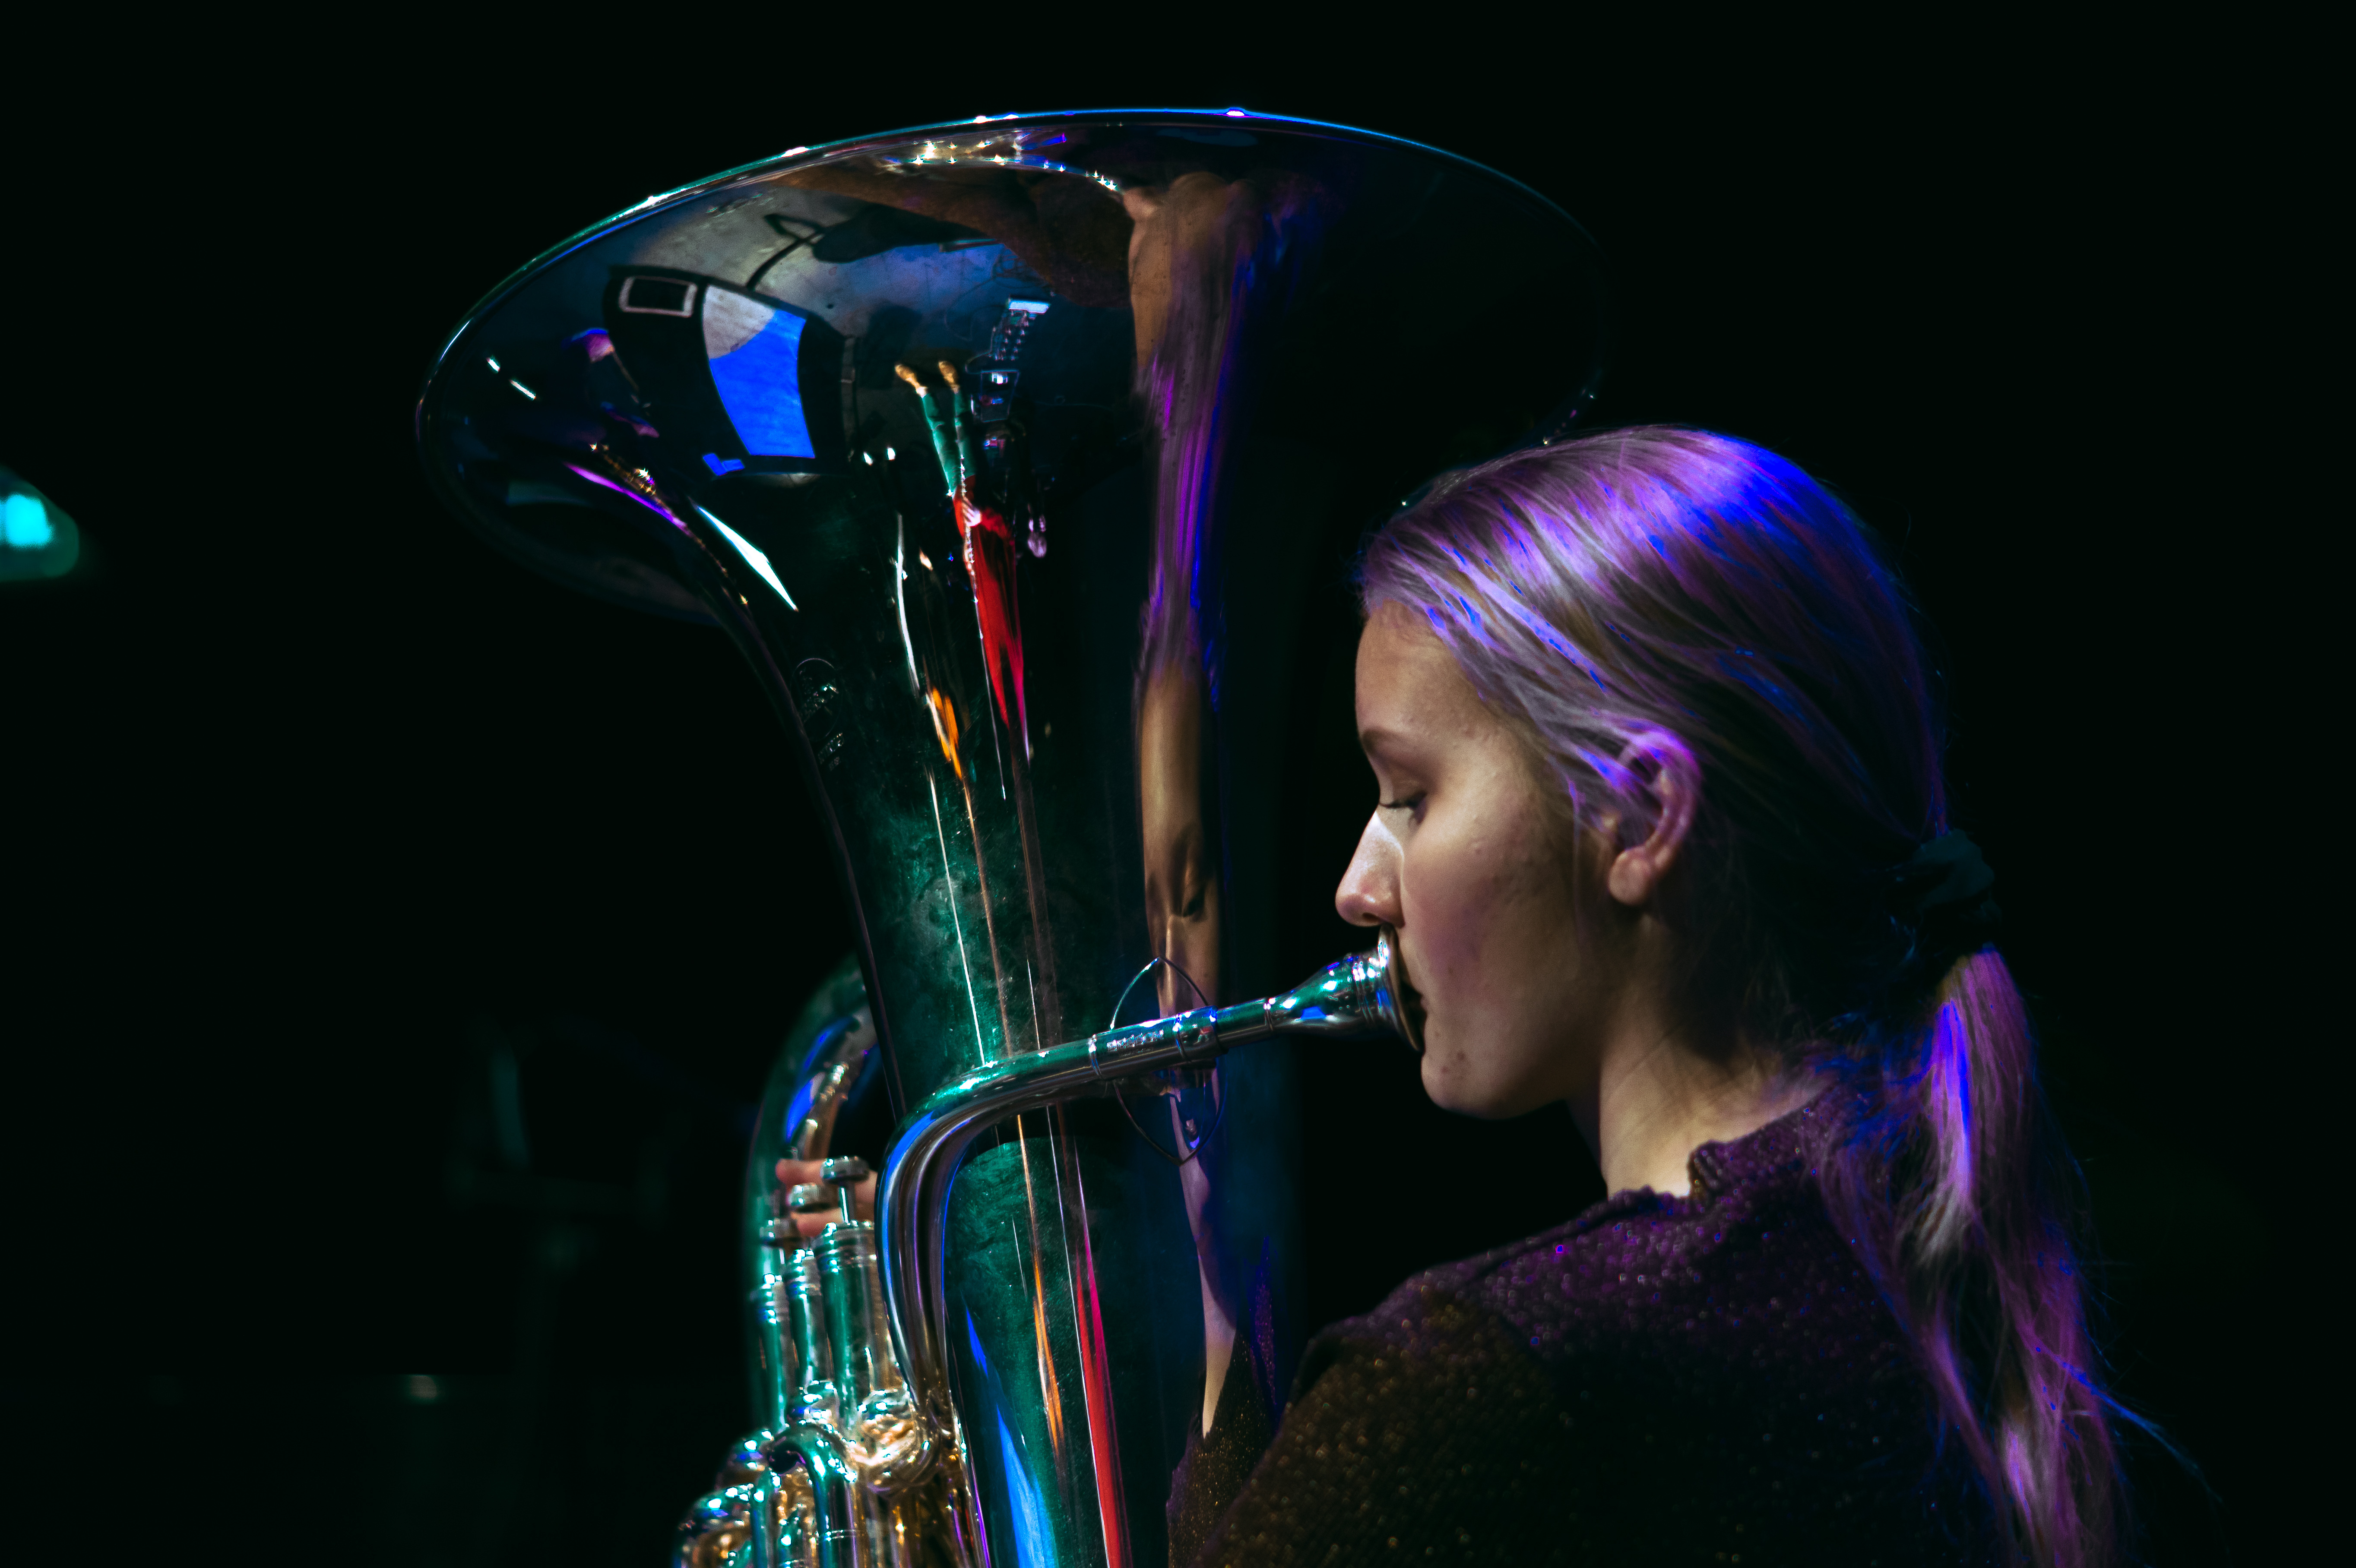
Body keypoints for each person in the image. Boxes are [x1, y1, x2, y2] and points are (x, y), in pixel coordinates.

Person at [1178, 426, 2125, 1565]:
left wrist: (1221, 1342)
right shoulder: (1918, 1244)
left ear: (1640, 817)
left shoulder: (1491, 1374)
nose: (1356, 890)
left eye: (1412, 795)